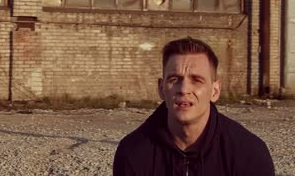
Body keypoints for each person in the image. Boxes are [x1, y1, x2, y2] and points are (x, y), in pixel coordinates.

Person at [113, 37, 275, 176]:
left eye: (197, 80)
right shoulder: (133, 152)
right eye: (174, 79)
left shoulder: (248, 153)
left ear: (215, 90)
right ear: (161, 88)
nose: (184, 89)